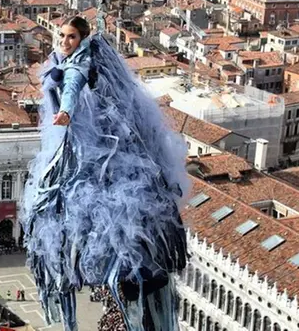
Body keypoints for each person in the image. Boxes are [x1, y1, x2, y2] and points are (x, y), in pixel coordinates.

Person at [20, 17, 189, 331]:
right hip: (92, 139)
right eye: (61, 35)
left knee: (98, 209)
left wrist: (65, 112)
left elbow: (71, 87)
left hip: (89, 141)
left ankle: (131, 274)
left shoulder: (78, 65)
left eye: (71, 36)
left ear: (82, 39)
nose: (64, 41)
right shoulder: (69, 60)